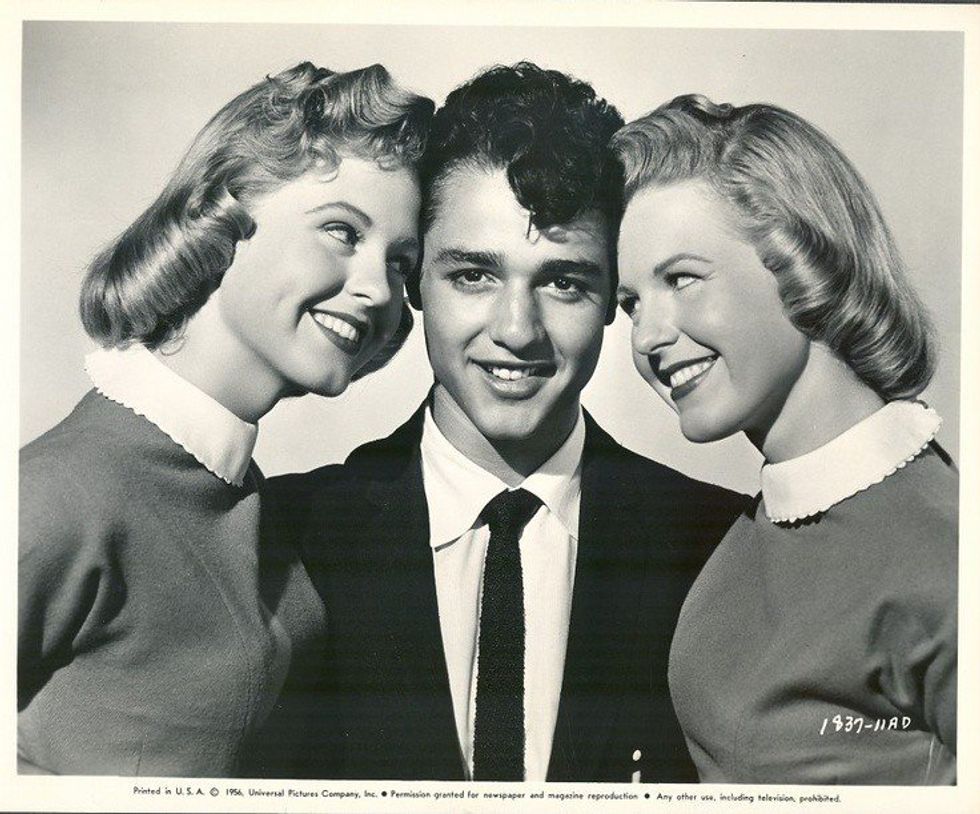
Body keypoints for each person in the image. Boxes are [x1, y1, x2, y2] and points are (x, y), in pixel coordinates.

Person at [263, 63, 746, 782]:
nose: (517, 331)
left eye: (564, 282)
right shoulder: (285, 535)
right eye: (473, 275)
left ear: (614, 298)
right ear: (414, 279)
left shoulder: (717, 545)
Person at [18, 61, 433, 777]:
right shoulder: (56, 497)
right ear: (224, 214)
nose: (377, 289)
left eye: (400, 262)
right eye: (341, 231)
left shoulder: (250, 503)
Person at [612, 95, 957, 784]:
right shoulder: (747, 534)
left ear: (802, 261)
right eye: (631, 305)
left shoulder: (942, 552)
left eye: (682, 279)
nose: (647, 337)